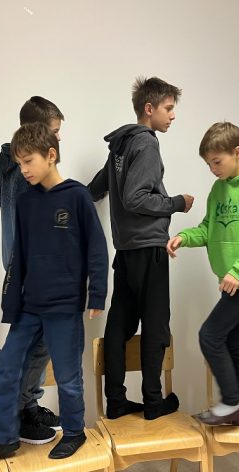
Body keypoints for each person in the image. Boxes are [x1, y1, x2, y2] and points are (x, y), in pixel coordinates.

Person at [0, 122, 108, 467]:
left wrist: (97, 295)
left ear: (51, 155)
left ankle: (74, 432)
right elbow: (20, 256)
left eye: (28, 161)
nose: (24, 170)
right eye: (19, 163)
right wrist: (11, 303)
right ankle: (4, 438)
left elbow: (97, 248)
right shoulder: (26, 202)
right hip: (29, 307)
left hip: (64, 307)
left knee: (68, 377)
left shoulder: (77, 196)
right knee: (7, 370)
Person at [88, 76, 194, 420]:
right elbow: (135, 198)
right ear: (149, 109)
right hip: (149, 248)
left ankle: (116, 401)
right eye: (168, 108)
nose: (172, 115)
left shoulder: (120, 145)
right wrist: (177, 202)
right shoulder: (146, 143)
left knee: (119, 324)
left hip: (126, 250)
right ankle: (153, 401)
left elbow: (96, 189)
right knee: (156, 326)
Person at [167, 122, 239, 426]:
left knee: (210, 335)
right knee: (234, 341)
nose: (212, 170)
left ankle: (231, 401)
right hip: (232, 280)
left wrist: (238, 271)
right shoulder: (219, 189)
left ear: (237, 152)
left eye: (217, 162)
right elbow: (208, 229)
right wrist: (184, 237)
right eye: (208, 164)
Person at [0, 96, 63, 444]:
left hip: (18, 266)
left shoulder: (11, 165)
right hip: (31, 267)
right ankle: (18, 412)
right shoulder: (27, 173)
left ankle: (26, 405)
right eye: (55, 132)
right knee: (37, 342)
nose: (58, 139)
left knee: (36, 341)